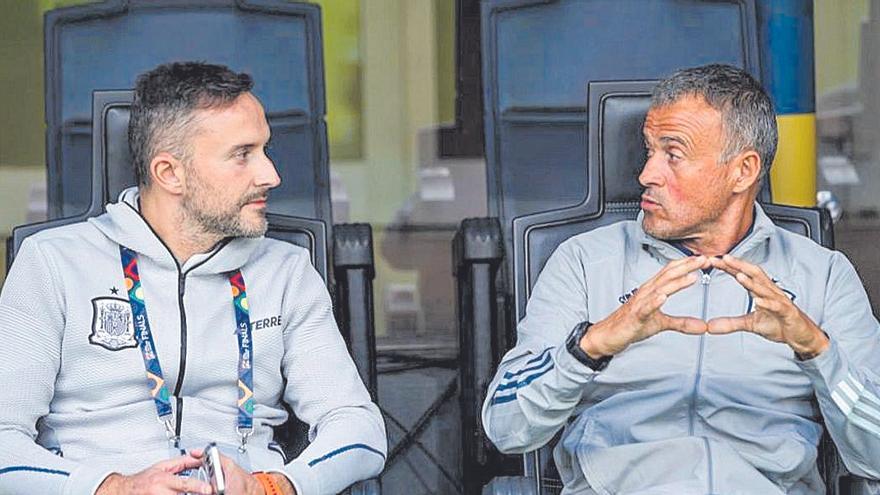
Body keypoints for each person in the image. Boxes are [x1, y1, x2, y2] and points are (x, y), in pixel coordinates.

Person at [481, 64, 880, 494]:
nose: (646, 174)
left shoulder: (822, 274)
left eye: (672, 154)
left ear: (742, 171)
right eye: (648, 151)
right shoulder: (583, 261)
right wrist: (590, 346)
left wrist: (817, 349)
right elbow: (506, 427)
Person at [0, 62, 386, 495]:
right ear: (170, 174)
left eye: (265, 150)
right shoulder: (54, 263)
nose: (270, 175)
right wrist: (113, 487)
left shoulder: (287, 271)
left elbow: (360, 430)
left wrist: (274, 486)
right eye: (243, 154)